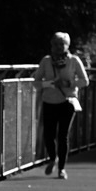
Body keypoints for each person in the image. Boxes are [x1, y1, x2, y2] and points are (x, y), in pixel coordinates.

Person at [35, 31, 88, 178]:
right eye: (56, 44)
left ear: (67, 45)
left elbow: (85, 81)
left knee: (63, 135)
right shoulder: (46, 61)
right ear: (51, 46)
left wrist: (68, 83)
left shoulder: (74, 61)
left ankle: (62, 169)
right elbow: (36, 82)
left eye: (62, 44)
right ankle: (53, 158)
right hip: (49, 101)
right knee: (48, 134)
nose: (59, 47)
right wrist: (49, 83)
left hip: (67, 101)